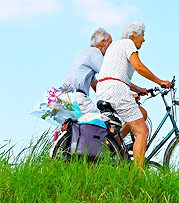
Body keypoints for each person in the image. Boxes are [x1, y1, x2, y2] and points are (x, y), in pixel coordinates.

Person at [96, 21, 171, 170]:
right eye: (143, 35)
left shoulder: (114, 46)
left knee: (141, 113)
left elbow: (115, 74)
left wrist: (138, 89)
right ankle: (137, 177)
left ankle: (115, 143)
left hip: (104, 89)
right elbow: (139, 67)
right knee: (142, 131)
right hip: (116, 89)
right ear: (135, 35)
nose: (143, 39)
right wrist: (160, 81)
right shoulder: (128, 44)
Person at [62, 28, 112, 116]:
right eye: (110, 43)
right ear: (103, 42)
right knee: (103, 123)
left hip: (65, 98)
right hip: (77, 98)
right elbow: (109, 75)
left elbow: (95, 85)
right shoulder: (95, 52)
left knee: (79, 128)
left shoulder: (84, 52)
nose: (111, 48)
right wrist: (129, 93)